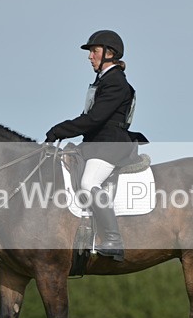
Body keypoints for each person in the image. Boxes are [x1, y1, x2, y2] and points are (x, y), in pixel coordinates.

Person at [45, 30, 146, 262]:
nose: (89, 56)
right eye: (91, 52)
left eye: (94, 51)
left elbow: (94, 119)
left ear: (109, 54)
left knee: (89, 182)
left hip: (111, 145)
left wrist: (59, 130)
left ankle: (113, 239)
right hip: (96, 143)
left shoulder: (116, 82)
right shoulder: (103, 81)